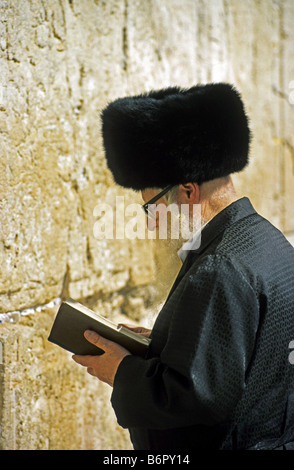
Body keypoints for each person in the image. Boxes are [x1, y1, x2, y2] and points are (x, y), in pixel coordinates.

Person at [72, 83, 294, 450]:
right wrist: (160, 345)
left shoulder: (221, 267)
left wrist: (120, 371)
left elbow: (197, 398)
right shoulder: (268, 241)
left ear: (188, 190)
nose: (151, 223)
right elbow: (236, 361)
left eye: (152, 207)